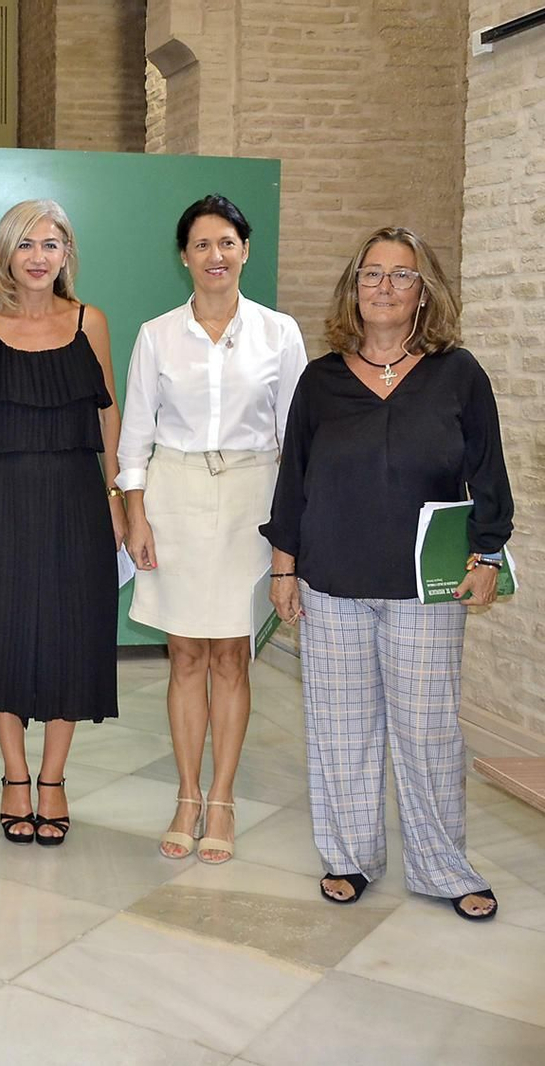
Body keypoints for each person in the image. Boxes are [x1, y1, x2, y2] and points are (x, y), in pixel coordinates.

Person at [263, 226, 511, 922]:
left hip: (424, 590)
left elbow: (490, 475)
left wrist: (488, 554)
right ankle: (348, 856)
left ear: (423, 294)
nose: (384, 287)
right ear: (354, 288)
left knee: (428, 732)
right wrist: (284, 570)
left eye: (401, 276)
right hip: (331, 582)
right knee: (341, 730)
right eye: (372, 274)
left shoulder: (458, 374)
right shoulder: (321, 380)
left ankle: (442, 866)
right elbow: (294, 483)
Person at [118, 195, 307, 863]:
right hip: (175, 496)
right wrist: (135, 516)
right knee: (185, 655)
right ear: (184, 257)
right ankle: (187, 794)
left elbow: (297, 440)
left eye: (226, 242)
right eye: (201, 245)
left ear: (245, 249)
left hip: (253, 499)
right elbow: (133, 440)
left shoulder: (280, 333)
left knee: (231, 654)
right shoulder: (157, 334)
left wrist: (290, 534)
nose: (215, 256)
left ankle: (222, 799)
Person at [0, 199, 123, 846]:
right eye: (27, 245)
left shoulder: (90, 322)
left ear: (67, 254)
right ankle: (15, 777)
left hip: (77, 494)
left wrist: (117, 496)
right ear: (7, 255)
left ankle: (54, 779)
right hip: (3, 495)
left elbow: (109, 414)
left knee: (74, 632)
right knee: (6, 631)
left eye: (52, 244)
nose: (39, 256)